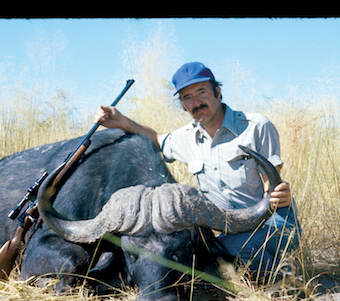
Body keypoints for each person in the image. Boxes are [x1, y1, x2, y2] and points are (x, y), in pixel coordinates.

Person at [95, 62, 301, 282]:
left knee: (229, 249)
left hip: (270, 221)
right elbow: (156, 139)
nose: (196, 102)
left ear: (218, 92)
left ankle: (286, 279)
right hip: (224, 228)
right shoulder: (186, 138)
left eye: (201, 92)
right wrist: (123, 121)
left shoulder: (256, 125)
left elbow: (273, 186)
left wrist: (281, 194)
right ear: (183, 105)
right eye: (187, 98)